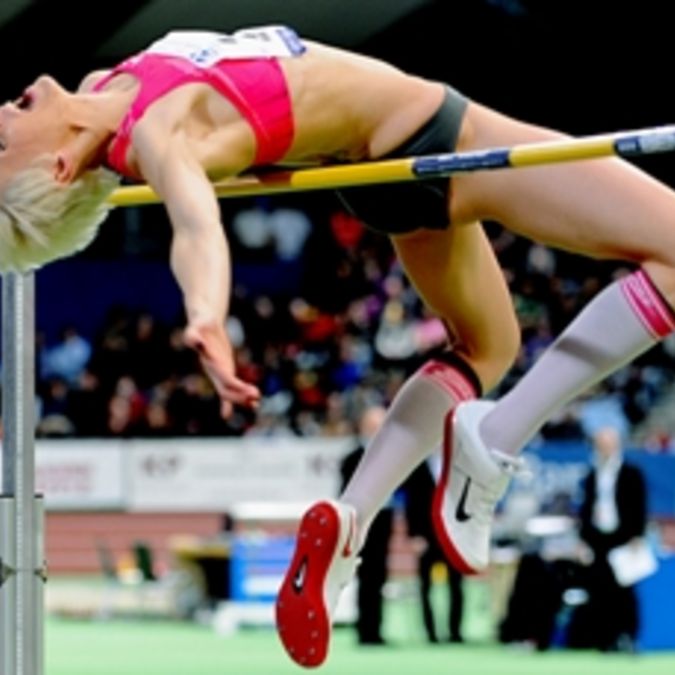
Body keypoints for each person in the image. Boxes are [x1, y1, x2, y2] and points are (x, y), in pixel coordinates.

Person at [2, 24, 675, 667]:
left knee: (485, 348)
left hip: (380, 172)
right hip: (433, 133)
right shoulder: (155, 132)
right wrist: (206, 313)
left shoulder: (102, 87)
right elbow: (196, 225)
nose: (2, 112)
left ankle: (351, 517)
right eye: (1, 144)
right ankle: (496, 436)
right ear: (57, 167)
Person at [567, 426, 648, 652]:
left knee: (625, 590)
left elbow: (639, 506)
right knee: (599, 589)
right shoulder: (592, 475)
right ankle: (604, 638)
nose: (605, 449)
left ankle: (627, 637)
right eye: (601, 445)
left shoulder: (631, 473)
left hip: (624, 537)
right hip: (597, 538)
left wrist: (638, 536)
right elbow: (585, 509)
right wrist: (582, 539)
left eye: (608, 444)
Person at [339, 405, 394, 646]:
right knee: (364, 575)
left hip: (383, 520)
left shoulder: (392, 456)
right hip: (360, 521)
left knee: (380, 576)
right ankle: (364, 629)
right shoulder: (351, 458)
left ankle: (377, 628)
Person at [402, 455, 465, 644]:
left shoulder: (458, 464)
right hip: (426, 537)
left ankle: (455, 632)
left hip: (453, 536)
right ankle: (430, 632)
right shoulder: (418, 467)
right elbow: (411, 502)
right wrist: (414, 535)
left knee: (456, 586)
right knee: (425, 587)